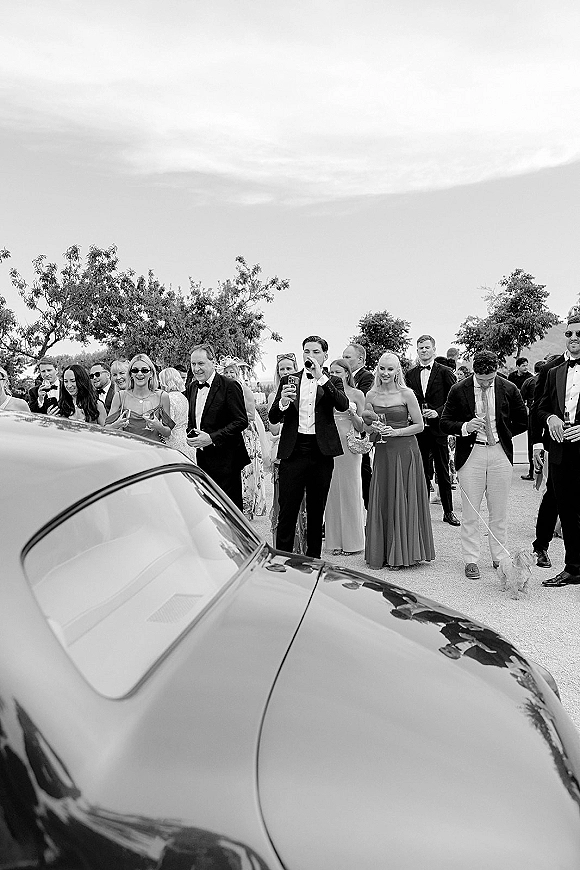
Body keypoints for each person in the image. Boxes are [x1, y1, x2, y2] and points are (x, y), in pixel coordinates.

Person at [440, 350, 528, 580]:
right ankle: (471, 559)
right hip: (472, 454)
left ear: (497, 370)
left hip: (500, 452)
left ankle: (499, 556)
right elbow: (444, 422)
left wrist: (504, 434)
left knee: (499, 511)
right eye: (482, 380)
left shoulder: (509, 388)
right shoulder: (459, 389)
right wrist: (465, 427)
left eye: (491, 379)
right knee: (470, 512)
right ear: (473, 371)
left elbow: (522, 420)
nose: (487, 383)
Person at [268, 334, 348, 558]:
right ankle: (282, 560)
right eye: (306, 351)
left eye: (315, 352)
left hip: (321, 453)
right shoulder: (289, 380)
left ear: (325, 356)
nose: (310, 356)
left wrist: (321, 377)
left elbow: (342, 405)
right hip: (294, 451)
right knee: (288, 511)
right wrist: (283, 402)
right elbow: (273, 417)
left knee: (316, 511)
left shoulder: (332, 381)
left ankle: (313, 561)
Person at [363, 351, 435, 569]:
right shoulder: (371, 395)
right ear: (377, 368)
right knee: (385, 495)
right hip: (384, 453)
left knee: (403, 495)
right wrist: (373, 426)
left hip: (405, 451)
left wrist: (397, 432)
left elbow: (419, 426)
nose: (385, 373)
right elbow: (367, 426)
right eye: (382, 368)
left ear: (397, 371)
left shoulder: (406, 394)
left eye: (390, 369)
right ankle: (383, 552)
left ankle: (403, 553)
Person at [536, 307, 580, 587]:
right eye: (569, 333)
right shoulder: (554, 371)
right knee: (566, 509)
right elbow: (539, 407)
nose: (573, 337)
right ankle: (573, 568)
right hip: (562, 450)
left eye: (579, 333)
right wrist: (550, 417)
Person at [184, 343, 249, 511]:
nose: (196, 368)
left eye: (201, 363)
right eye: (193, 364)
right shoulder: (191, 387)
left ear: (212, 363)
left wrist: (211, 438)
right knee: (210, 510)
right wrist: (191, 434)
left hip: (227, 460)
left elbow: (241, 421)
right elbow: (194, 418)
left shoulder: (229, 385)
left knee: (230, 512)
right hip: (202, 459)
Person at [405, 334, 460, 526]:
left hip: (439, 429)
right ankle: (418, 511)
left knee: (443, 471)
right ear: (417, 350)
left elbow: (455, 399)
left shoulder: (445, 371)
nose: (424, 351)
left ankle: (448, 511)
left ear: (434, 349)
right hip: (418, 430)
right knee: (419, 470)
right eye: (421, 348)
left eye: (427, 347)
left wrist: (438, 412)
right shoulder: (410, 374)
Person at [530, 348, 567, 569]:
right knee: (553, 495)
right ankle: (541, 546)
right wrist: (537, 444)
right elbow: (538, 408)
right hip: (558, 444)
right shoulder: (549, 368)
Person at [325, 358, 366, 556]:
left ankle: (353, 542)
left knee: (350, 491)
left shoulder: (357, 394)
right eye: (331, 372)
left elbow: (363, 427)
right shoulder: (325, 393)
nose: (334, 376)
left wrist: (352, 413)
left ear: (347, 374)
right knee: (332, 492)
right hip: (330, 444)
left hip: (350, 445)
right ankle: (335, 541)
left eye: (338, 372)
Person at [267, 353, 307, 552]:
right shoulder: (273, 395)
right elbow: (273, 428)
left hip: (302, 451)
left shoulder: (307, 391)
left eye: (289, 369)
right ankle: (284, 548)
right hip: (282, 450)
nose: (285, 372)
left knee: (303, 502)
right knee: (284, 501)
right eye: (281, 369)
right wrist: (282, 405)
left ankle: (303, 547)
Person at [222, 360, 267, 519]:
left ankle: (247, 509)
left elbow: (251, 415)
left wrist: (233, 420)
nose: (229, 375)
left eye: (231, 372)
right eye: (226, 372)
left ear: (237, 373)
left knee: (246, 470)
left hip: (245, 434)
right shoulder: (222, 390)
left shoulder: (244, 389)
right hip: (229, 435)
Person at [106, 353, 174, 443]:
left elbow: (168, 432)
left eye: (144, 370)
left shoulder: (162, 396)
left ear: (151, 374)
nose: (139, 373)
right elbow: (106, 428)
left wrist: (158, 426)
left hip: (154, 450)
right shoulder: (120, 396)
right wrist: (116, 424)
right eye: (135, 370)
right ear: (130, 374)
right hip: (129, 450)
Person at [342, 342, 374, 509]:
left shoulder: (366, 377)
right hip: (340, 434)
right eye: (343, 356)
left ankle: (369, 510)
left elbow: (362, 401)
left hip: (357, 433)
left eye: (348, 357)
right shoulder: (339, 377)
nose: (344, 359)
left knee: (363, 474)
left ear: (360, 359)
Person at [158, 367, 197, 462]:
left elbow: (168, 425)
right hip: (185, 440)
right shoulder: (182, 397)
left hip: (173, 442)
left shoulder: (168, 399)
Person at [520, 361, 544, 480]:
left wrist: (527, 409)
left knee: (533, 442)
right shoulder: (554, 378)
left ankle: (532, 471)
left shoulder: (529, 380)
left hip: (533, 415)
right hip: (549, 415)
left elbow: (520, 398)